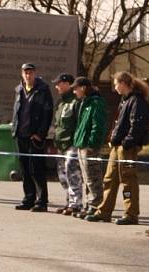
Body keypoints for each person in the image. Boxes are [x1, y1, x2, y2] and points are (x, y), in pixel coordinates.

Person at [86, 71, 149, 225]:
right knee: (109, 179)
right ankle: (104, 211)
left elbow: (137, 125)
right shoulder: (125, 100)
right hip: (117, 147)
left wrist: (127, 142)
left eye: (115, 84)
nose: (114, 88)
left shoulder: (137, 101)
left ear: (123, 83)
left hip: (127, 147)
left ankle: (131, 213)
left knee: (128, 180)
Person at [11, 63, 54, 212]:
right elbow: (16, 112)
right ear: (22, 74)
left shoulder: (43, 90)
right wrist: (14, 130)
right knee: (24, 169)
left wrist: (41, 134)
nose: (28, 75)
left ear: (35, 73)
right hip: (21, 135)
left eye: (30, 72)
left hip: (34, 137)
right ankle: (29, 199)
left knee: (37, 169)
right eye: (25, 72)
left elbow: (48, 113)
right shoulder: (19, 90)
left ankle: (42, 202)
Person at [71, 77, 107, 219]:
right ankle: (88, 204)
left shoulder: (96, 103)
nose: (74, 91)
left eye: (76, 88)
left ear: (84, 88)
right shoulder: (84, 103)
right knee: (86, 178)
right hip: (81, 145)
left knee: (93, 177)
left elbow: (97, 125)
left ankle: (96, 205)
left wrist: (93, 144)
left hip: (90, 147)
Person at [50, 73, 83, 215]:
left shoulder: (76, 101)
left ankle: (77, 204)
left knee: (72, 173)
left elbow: (79, 124)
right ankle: (69, 201)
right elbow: (58, 125)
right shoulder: (61, 102)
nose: (57, 86)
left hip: (72, 144)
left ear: (68, 84)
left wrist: (76, 142)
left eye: (59, 83)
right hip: (60, 144)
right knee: (62, 176)